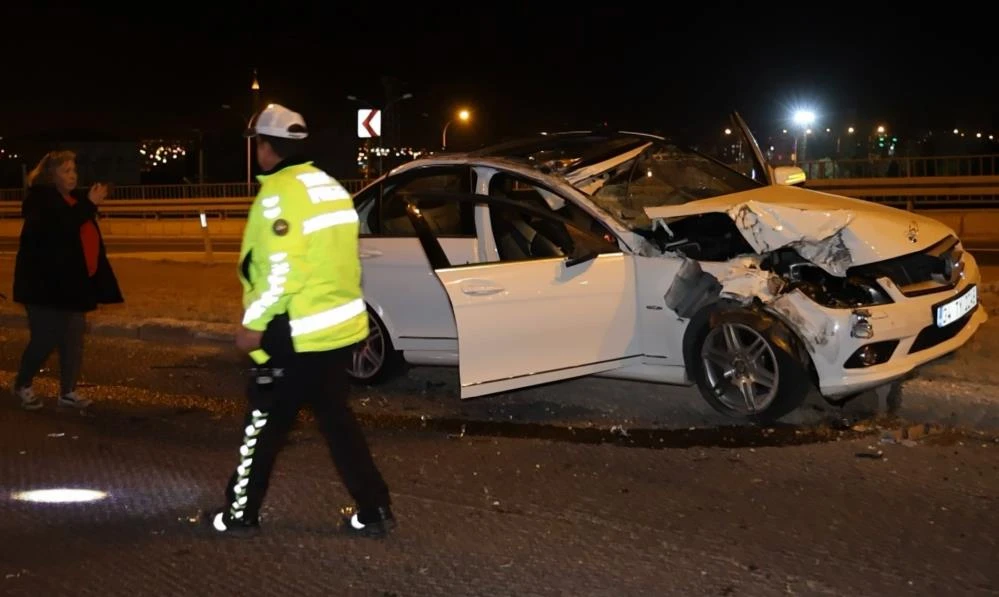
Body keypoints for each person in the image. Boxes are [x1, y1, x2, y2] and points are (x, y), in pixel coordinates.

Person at [203, 103, 394, 538]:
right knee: (338, 424)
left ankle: (239, 513)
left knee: (263, 426)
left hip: (293, 332)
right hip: (334, 333)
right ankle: (374, 508)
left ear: (265, 147)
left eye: (258, 144)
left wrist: (254, 323)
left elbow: (282, 271)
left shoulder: (279, 194)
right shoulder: (330, 187)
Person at [11, 150, 123, 410]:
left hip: (72, 285)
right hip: (43, 287)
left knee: (73, 340)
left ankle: (68, 391)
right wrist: (90, 204)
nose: (73, 176)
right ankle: (22, 383)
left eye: (74, 170)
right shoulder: (40, 202)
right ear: (51, 176)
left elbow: (79, 231)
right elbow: (60, 230)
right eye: (66, 171)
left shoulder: (73, 200)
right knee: (45, 339)